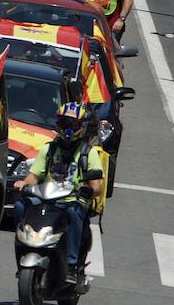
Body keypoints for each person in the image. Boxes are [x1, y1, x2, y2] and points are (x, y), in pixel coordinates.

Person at [12, 102, 105, 285]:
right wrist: (23, 183)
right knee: (20, 206)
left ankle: (71, 265)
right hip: (48, 199)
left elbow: (97, 187)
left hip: (73, 201)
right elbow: (35, 175)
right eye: (65, 123)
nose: (68, 129)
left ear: (81, 127)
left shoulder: (88, 154)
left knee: (73, 213)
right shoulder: (49, 149)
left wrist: (88, 190)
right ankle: (24, 252)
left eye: (73, 125)